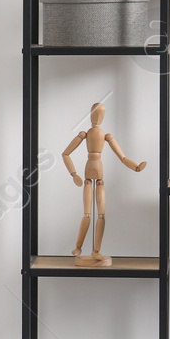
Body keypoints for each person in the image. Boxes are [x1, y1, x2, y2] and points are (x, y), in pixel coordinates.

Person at [63, 102, 147, 267]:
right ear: (91, 115)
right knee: (87, 213)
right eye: (96, 113)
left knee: (101, 214)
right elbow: (66, 153)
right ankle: (78, 247)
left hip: (99, 176)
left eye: (101, 114)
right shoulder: (84, 134)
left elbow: (122, 157)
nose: (98, 117)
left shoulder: (106, 135)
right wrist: (73, 174)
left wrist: (135, 167)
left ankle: (96, 250)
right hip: (87, 176)